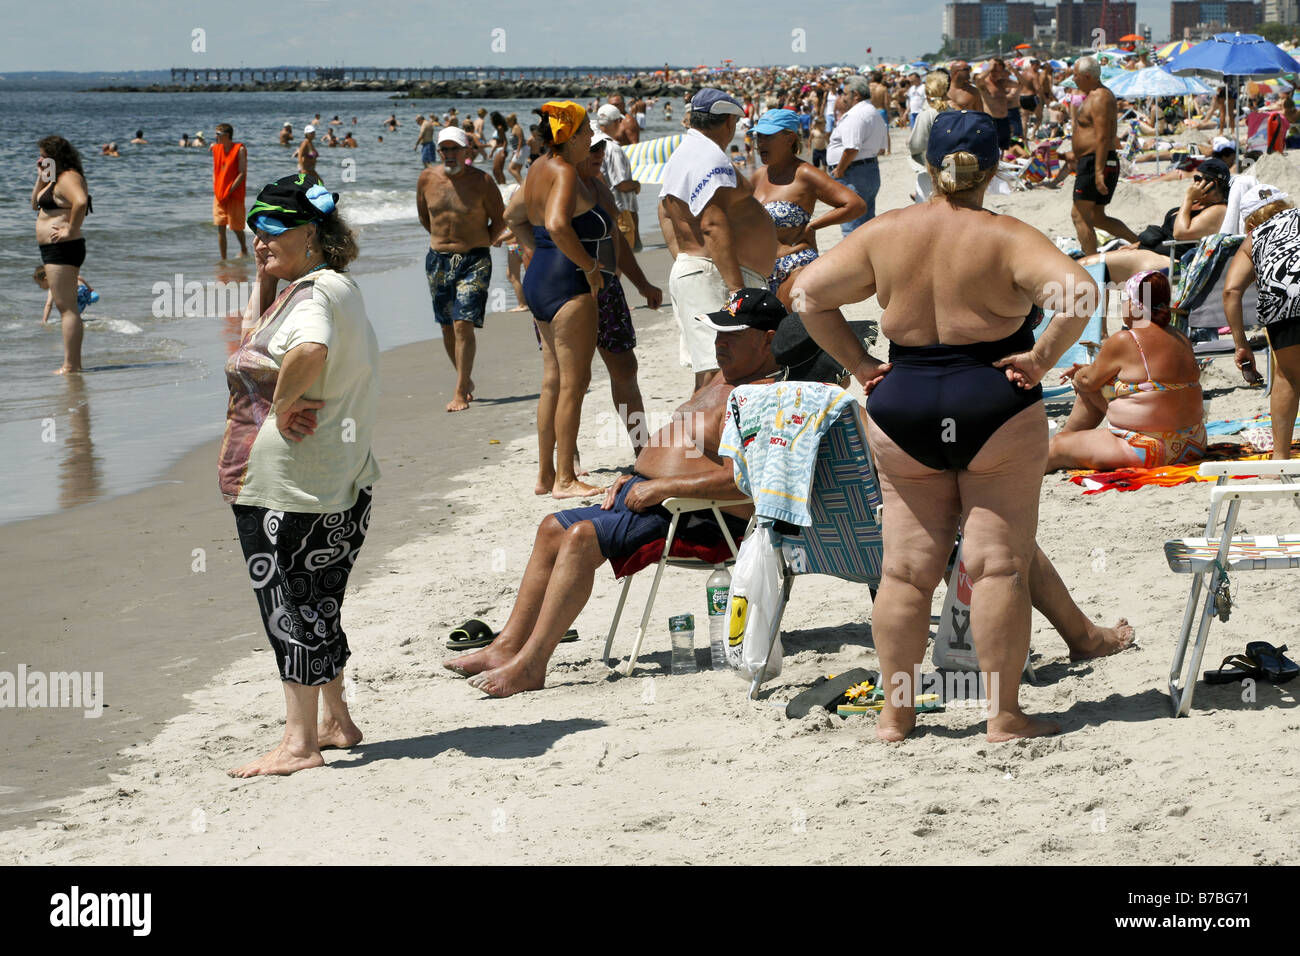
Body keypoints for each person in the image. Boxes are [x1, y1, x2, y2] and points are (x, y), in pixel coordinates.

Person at [793, 111, 1098, 743]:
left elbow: (808, 295)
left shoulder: (887, 231)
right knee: (996, 568)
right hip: (991, 401)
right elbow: (1080, 294)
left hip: (901, 404)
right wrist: (1041, 359)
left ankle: (896, 715)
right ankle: (1004, 716)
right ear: (992, 168)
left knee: (904, 570)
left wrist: (857, 362)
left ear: (928, 165)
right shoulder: (1006, 235)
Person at [442, 289, 784, 697]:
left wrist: (664, 486)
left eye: (732, 335)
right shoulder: (725, 378)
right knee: (552, 525)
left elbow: (747, 480)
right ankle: (506, 647)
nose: (719, 343)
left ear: (768, 339)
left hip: (700, 517)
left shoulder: (764, 396)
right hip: (658, 497)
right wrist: (638, 474)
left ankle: (532, 664)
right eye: (717, 333)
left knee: (581, 537)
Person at [221, 174, 378, 777]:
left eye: (272, 230)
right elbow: (263, 331)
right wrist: (268, 267)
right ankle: (336, 721)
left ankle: (299, 744)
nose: (258, 241)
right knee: (319, 601)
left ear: (311, 232)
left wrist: (284, 405)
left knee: (289, 606)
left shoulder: (311, 301)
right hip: (339, 476)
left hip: (287, 486)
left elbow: (308, 351)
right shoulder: (334, 287)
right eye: (252, 230)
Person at [518, 102, 612, 498]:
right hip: (568, 281)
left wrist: (534, 252)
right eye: (587, 130)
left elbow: (514, 216)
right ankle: (565, 479)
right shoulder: (565, 172)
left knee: (551, 382)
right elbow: (558, 225)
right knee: (575, 384)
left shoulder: (537, 167)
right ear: (570, 137)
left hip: (538, 277)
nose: (591, 137)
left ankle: (544, 476)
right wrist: (590, 266)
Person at [658, 88, 778, 391]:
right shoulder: (708, 157)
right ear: (727, 122)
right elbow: (712, 224)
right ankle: (695, 439)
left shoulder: (685, 153)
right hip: (712, 277)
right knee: (722, 376)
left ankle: (699, 439)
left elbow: (664, 211)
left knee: (711, 374)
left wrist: (684, 258)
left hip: (702, 272)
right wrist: (738, 292)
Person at [1047, 271, 1206, 471]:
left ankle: (1061, 447)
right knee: (1092, 392)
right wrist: (1089, 374)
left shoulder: (1126, 340)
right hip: (1193, 444)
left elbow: (1086, 381)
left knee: (1054, 446)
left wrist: (1079, 375)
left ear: (1133, 304)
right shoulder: (1180, 337)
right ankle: (1068, 440)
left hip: (1148, 448)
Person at [417, 126, 504, 414]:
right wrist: (444, 242)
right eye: (445, 149)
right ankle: (464, 379)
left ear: (468, 151)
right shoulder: (427, 178)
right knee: (446, 326)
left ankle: (458, 391)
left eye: (455, 148)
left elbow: (501, 219)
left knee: (463, 323)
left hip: (474, 259)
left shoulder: (483, 181)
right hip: (438, 260)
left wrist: (483, 243)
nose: (450, 154)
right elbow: (425, 217)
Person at [750, 108, 865, 302]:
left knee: (798, 328)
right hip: (761, 272)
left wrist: (814, 225)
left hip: (796, 267)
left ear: (790, 138)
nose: (761, 143)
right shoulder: (759, 175)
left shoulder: (805, 174)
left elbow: (855, 205)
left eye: (768, 137)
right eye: (758, 137)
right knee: (772, 331)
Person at [1225, 185, 1300, 458]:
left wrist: (1240, 344)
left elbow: (1231, 291)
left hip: (1284, 303)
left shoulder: (1255, 236)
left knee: (1288, 376)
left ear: (1250, 221)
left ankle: (1280, 460)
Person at [1078, 158, 1232, 284]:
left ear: (1214, 183)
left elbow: (1180, 233)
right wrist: (1136, 245)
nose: (1194, 184)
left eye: (1198, 179)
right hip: (1152, 252)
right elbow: (1166, 229)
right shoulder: (1199, 203)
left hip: (1175, 262)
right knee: (1094, 272)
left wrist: (1188, 198)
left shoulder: (1218, 210)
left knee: (1091, 267)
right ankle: (1099, 323)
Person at [32, 136, 92, 375]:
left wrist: (71, 229)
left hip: (63, 247)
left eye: (44, 155)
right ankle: (72, 363)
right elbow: (35, 205)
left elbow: (81, 201)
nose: (40, 159)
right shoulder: (53, 178)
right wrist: (41, 179)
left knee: (67, 308)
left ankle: (71, 365)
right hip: (53, 249)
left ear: (56, 156)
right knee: (64, 306)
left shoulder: (68, 177)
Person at [1070, 57, 1139, 256]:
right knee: (1097, 217)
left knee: (1079, 215)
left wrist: (1099, 172)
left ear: (1087, 76)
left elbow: (1103, 136)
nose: (1073, 79)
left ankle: (1090, 263)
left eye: (1076, 75)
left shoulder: (1100, 97)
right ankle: (1140, 243)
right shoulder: (1093, 96)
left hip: (1095, 162)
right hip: (1093, 160)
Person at [826, 76, 888, 234]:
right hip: (868, 170)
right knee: (866, 225)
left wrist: (840, 170)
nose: (843, 98)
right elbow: (881, 147)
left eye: (845, 94)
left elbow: (851, 148)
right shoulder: (873, 112)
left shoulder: (856, 115)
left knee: (852, 227)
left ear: (856, 94)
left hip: (853, 173)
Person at [597, 105, 641, 250]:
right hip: (619, 210)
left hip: (601, 207)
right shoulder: (613, 148)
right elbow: (621, 184)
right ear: (616, 122)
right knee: (621, 257)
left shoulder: (592, 144)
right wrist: (636, 185)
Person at [211, 123, 248, 259]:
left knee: (236, 227)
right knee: (220, 226)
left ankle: (244, 250)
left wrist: (230, 190)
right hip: (219, 194)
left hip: (234, 194)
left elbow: (242, 173)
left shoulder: (239, 149)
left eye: (218, 134)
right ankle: (223, 259)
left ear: (227, 135)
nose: (216, 137)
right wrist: (216, 185)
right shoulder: (216, 149)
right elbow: (215, 171)